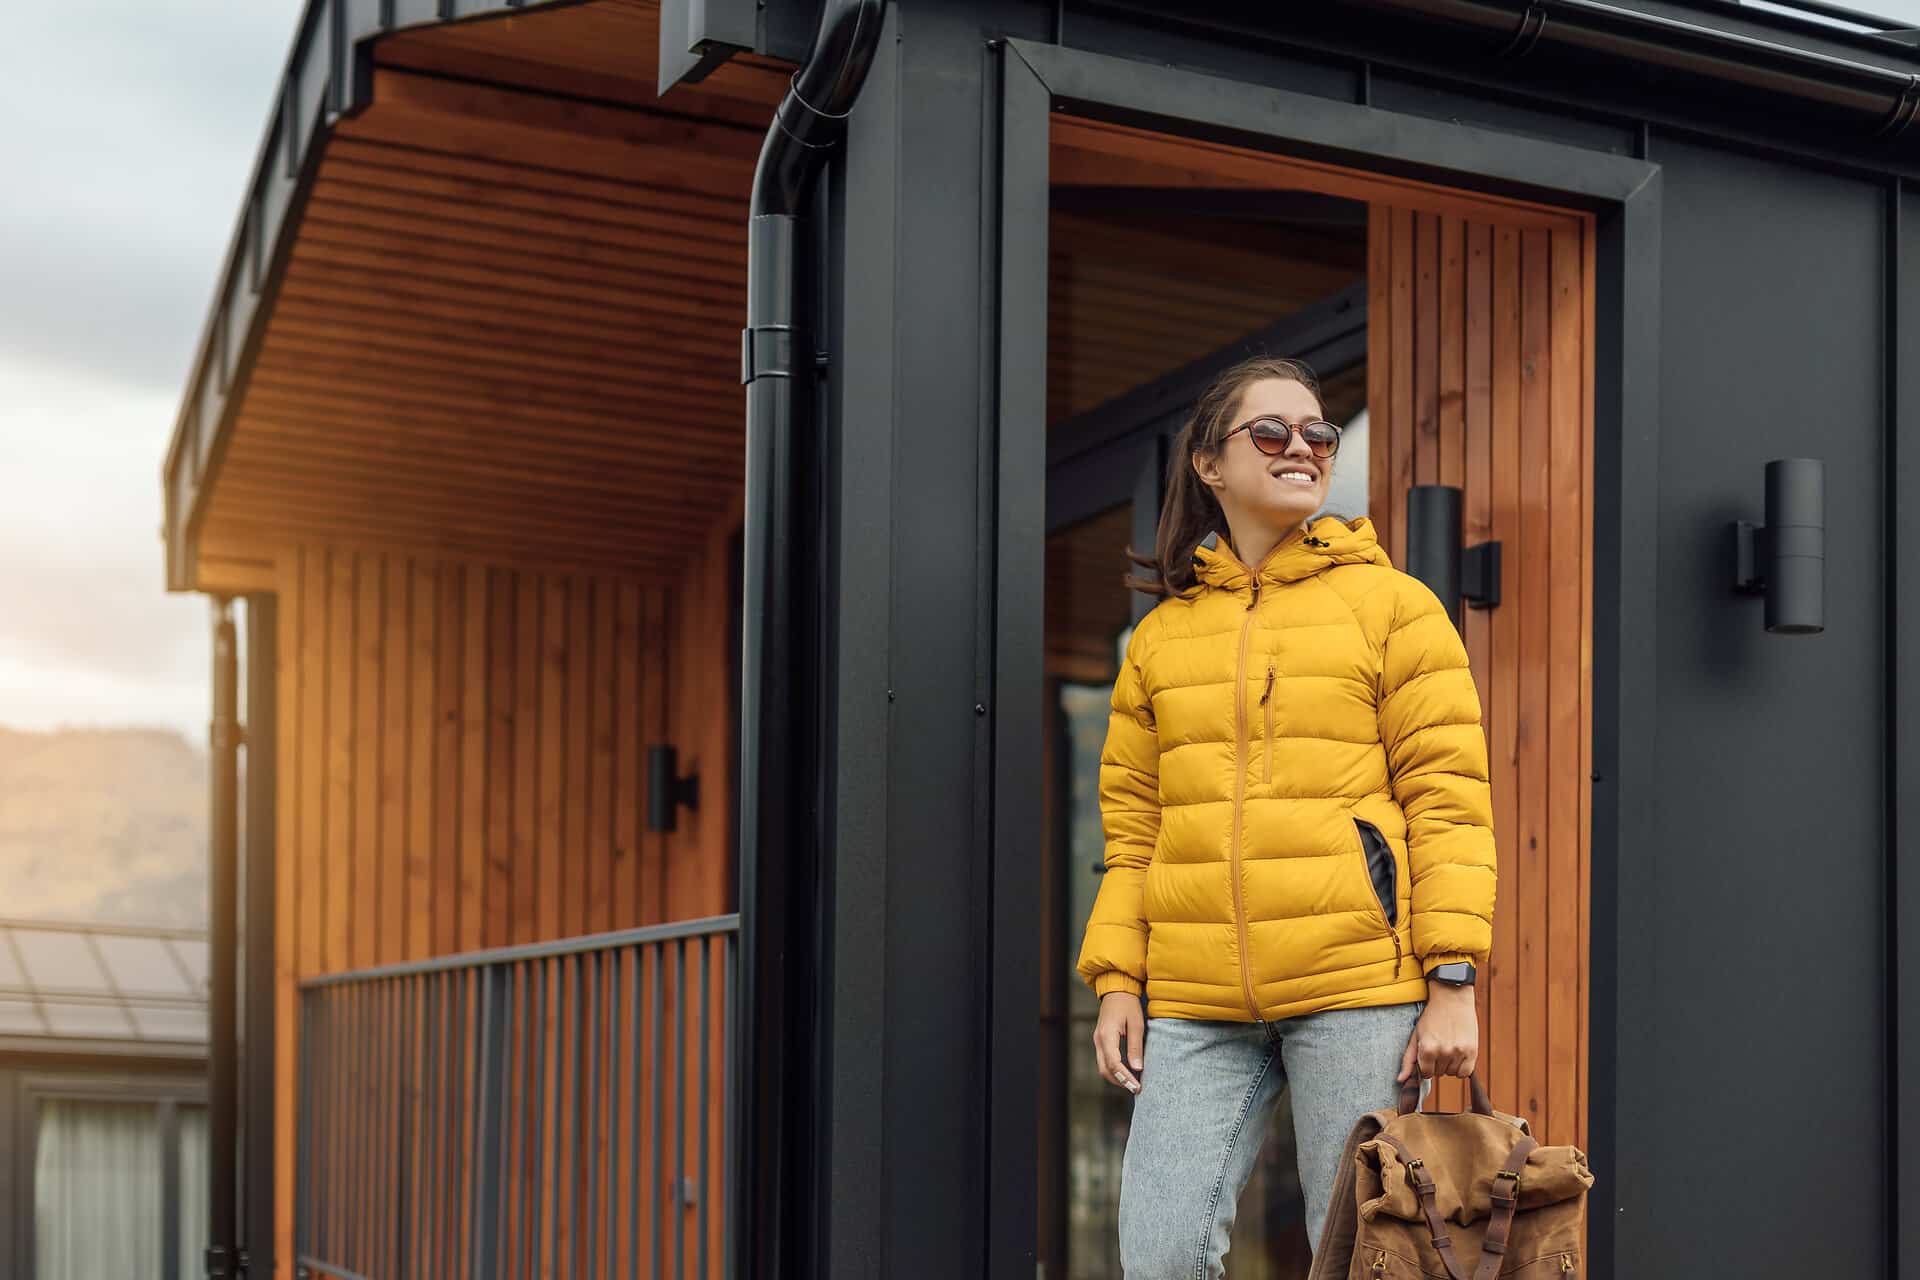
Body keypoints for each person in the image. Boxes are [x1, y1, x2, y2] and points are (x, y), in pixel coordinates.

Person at [1076, 355, 1497, 1276]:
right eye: (1271, 432)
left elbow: (1448, 799)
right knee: (1160, 1255)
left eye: (1318, 433)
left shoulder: (1394, 607)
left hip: (1356, 986)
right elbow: (1134, 830)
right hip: (1193, 998)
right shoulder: (1160, 640)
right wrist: (1116, 981)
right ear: (1210, 465)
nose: (1300, 447)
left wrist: (1453, 978)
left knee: (1359, 1256)